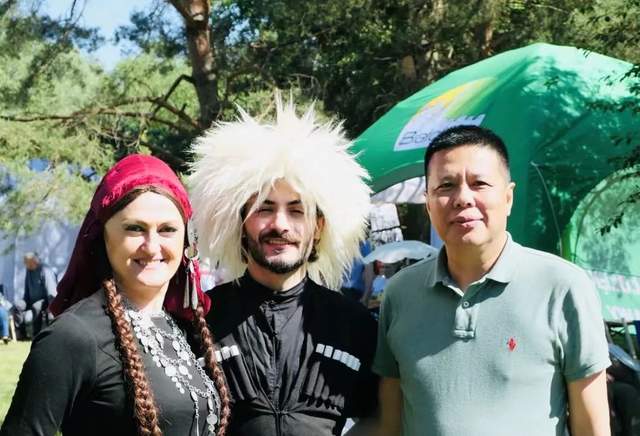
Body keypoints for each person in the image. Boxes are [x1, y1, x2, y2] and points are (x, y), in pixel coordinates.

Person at [374, 125, 611, 436]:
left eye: (479, 183)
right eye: (446, 186)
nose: (463, 198)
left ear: (508, 197)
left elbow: (592, 428)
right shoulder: (401, 293)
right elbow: (389, 423)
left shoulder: (563, 287)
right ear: (428, 203)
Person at [1, 154, 230, 436]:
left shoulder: (181, 328)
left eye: (167, 230)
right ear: (102, 236)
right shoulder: (72, 337)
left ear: (186, 240)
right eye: (135, 228)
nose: (152, 246)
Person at [188, 97, 379, 436]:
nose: (280, 224)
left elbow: (380, 417)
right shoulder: (201, 320)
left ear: (318, 227)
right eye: (264, 209)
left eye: (296, 210)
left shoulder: (354, 324)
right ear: (240, 224)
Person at [20, 252, 57, 337]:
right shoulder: (29, 270)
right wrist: (23, 302)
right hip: (30, 300)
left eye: (26, 263)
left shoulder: (45, 270)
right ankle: (21, 334)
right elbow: (27, 289)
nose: (25, 265)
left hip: (45, 300)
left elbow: (51, 291)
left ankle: (36, 334)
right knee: (17, 306)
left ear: (34, 261)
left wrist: (51, 306)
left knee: (36, 306)